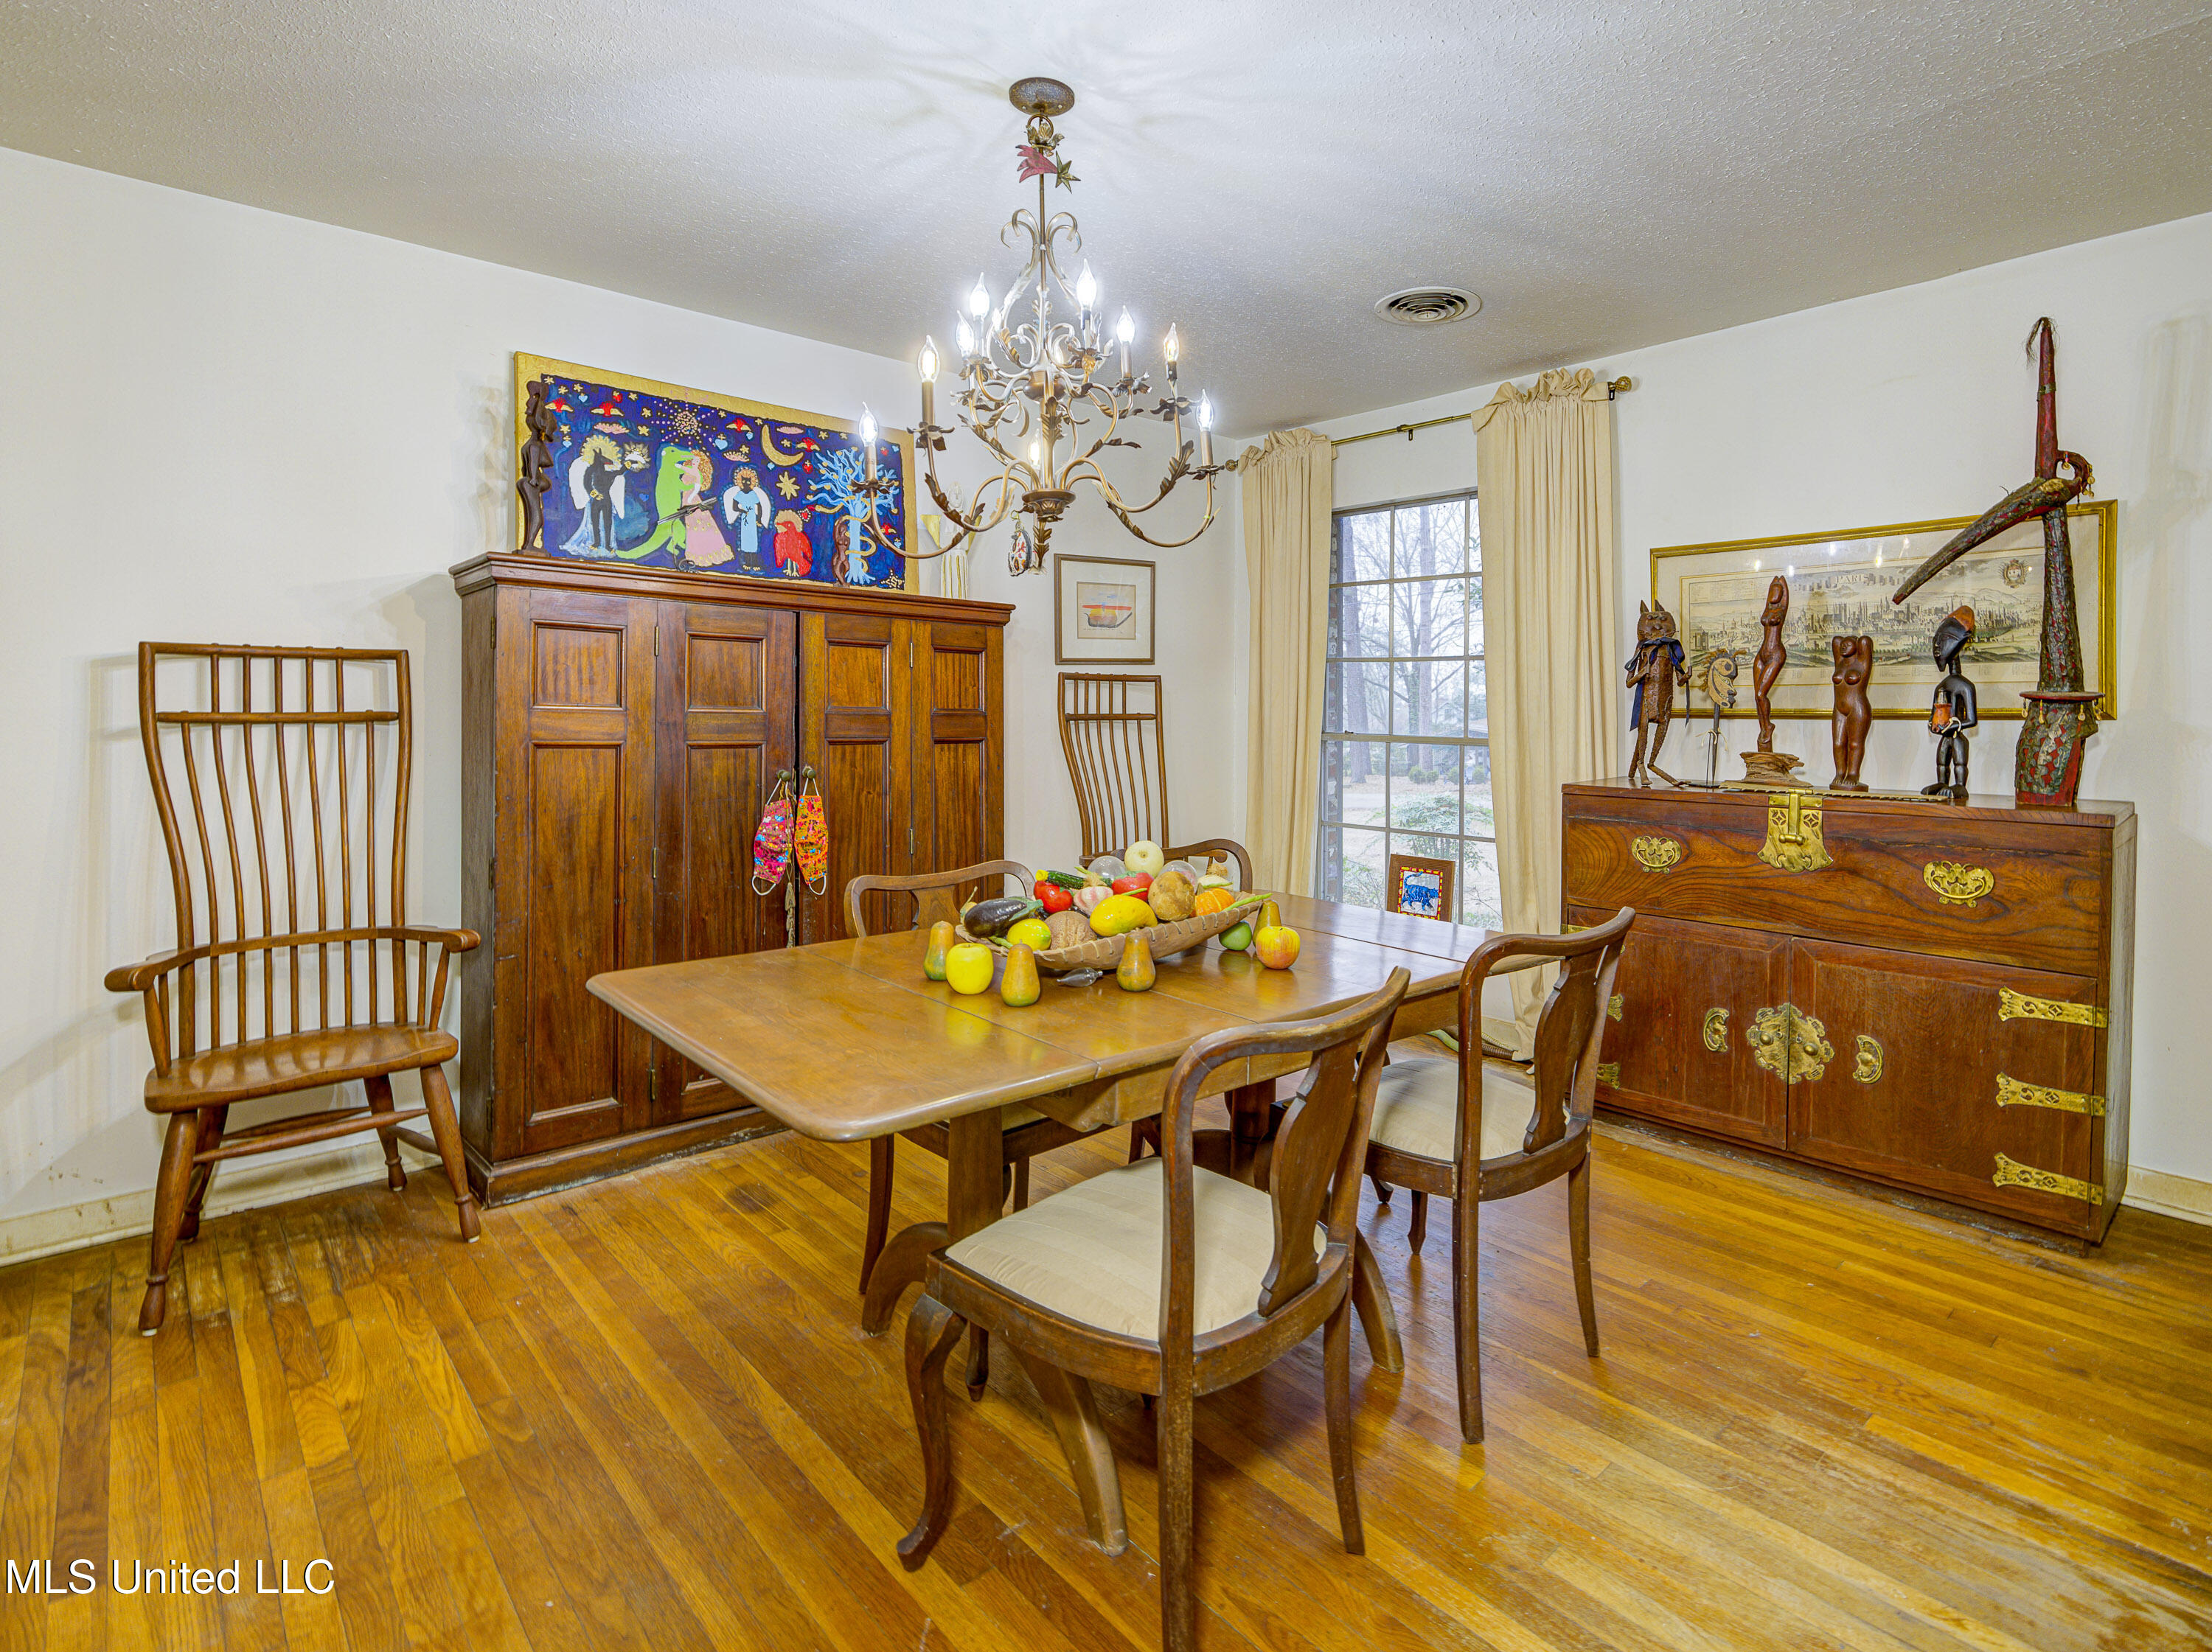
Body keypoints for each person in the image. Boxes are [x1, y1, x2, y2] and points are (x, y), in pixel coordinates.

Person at [1924, 607, 1978, 801]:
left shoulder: (1965, 686)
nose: (1937, 648)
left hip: (1957, 736)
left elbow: (1972, 719)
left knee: (1959, 764)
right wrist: (1932, 723)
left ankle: (1959, 786)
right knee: (1941, 764)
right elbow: (1934, 714)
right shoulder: (1942, 686)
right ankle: (1942, 783)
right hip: (1945, 737)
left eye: (1942, 642)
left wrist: (1955, 724)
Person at [721, 466, 773, 573]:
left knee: (754, 541)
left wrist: (759, 519)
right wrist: (742, 510)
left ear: (751, 482)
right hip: (745, 519)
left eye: (748, 481)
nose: (746, 483)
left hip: (752, 518)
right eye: (743, 481)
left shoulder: (753, 493)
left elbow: (759, 506)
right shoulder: (739, 494)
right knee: (745, 541)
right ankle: (747, 563)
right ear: (740, 481)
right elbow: (734, 507)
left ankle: (754, 563)